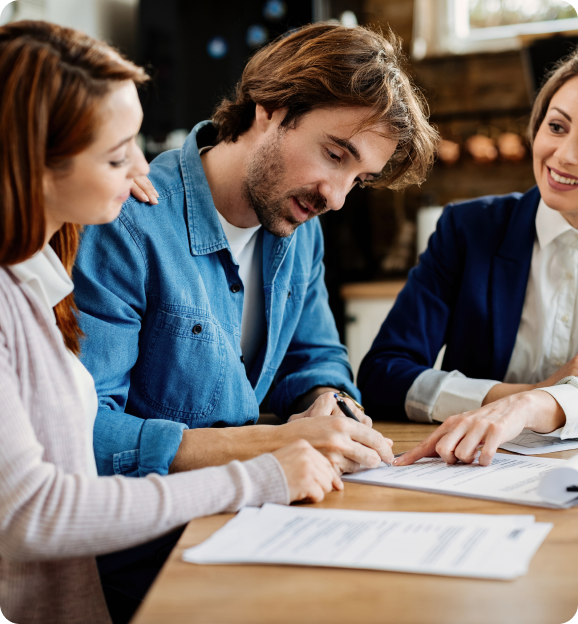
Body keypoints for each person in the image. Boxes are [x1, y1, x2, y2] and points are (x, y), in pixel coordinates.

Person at [0, 21, 343, 624]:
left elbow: (313, 357)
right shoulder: (89, 251)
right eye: (116, 152)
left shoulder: (36, 280)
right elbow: (36, 511)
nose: (142, 169)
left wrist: (324, 405)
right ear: (33, 163)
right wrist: (257, 473)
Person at [73, 23, 437, 480]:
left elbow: (314, 358)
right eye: (335, 155)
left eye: (358, 180)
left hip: (255, 506)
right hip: (156, 534)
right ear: (270, 108)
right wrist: (271, 443)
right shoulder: (126, 223)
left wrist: (329, 401)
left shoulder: (301, 228)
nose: (337, 198)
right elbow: (86, 434)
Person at [358, 47, 578, 468]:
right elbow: (382, 375)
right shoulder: (469, 230)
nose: (564, 155)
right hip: (474, 470)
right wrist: (518, 397)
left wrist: (541, 405)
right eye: (556, 126)